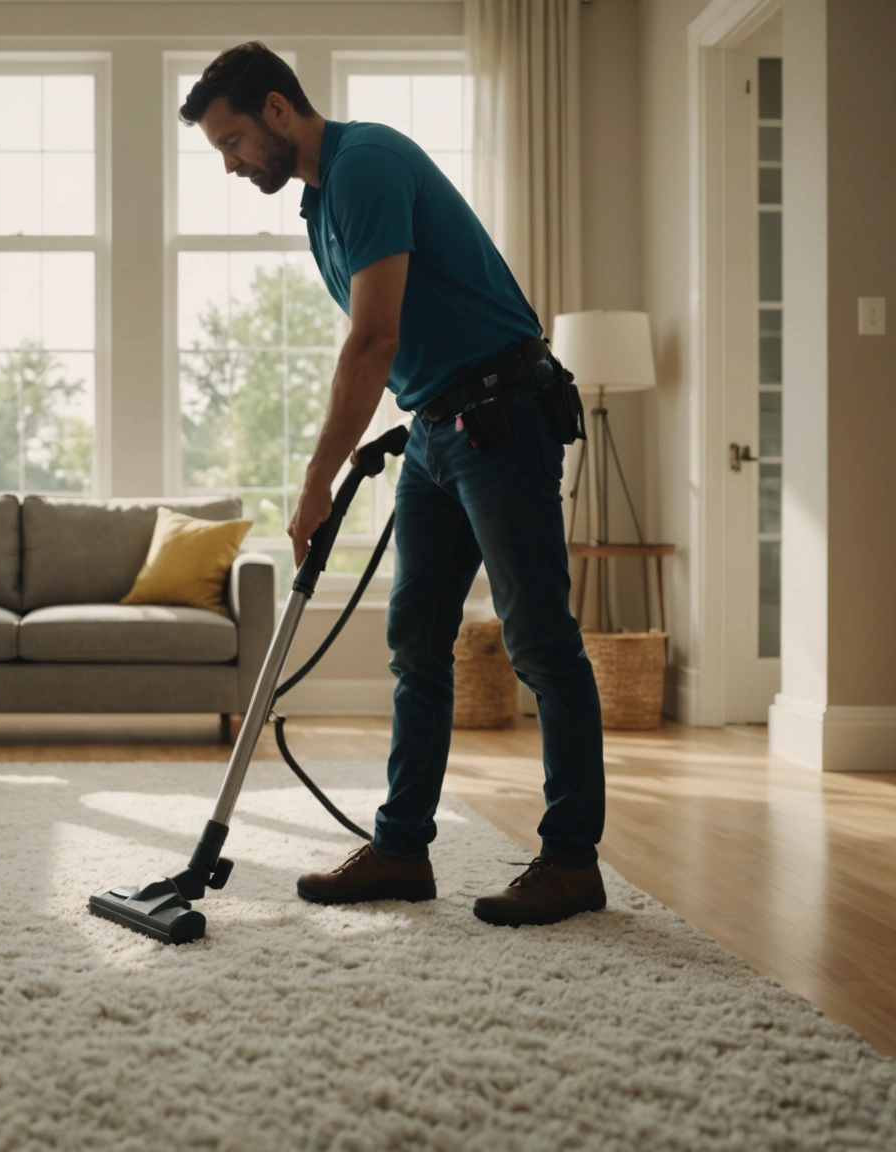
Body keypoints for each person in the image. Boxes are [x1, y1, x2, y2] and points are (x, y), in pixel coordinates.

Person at [180, 43, 607, 927]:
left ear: (277, 109)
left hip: (501, 415)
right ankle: (404, 848)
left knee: (539, 641)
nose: (228, 163)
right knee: (416, 640)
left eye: (230, 141)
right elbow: (404, 346)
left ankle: (572, 860)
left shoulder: (366, 162)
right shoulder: (317, 204)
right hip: (436, 433)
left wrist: (315, 482)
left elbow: (372, 341)